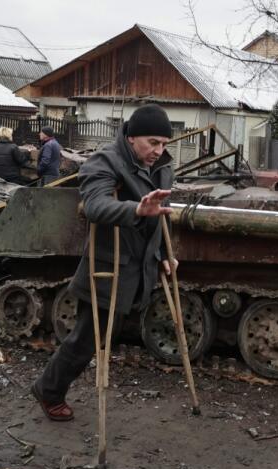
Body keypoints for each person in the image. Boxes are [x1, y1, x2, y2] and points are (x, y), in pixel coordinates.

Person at [31, 104, 177, 421]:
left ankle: (50, 387)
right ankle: (49, 390)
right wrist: (136, 210)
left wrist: (166, 254)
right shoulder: (105, 162)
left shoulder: (163, 166)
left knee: (101, 337)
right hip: (108, 268)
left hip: (140, 268)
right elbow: (95, 206)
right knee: (87, 339)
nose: (159, 150)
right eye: (153, 142)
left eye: (164, 143)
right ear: (131, 136)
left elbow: (163, 216)